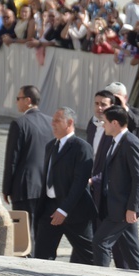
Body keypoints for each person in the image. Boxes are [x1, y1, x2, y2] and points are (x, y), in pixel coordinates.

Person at [92, 106, 139, 269]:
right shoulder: (115, 141)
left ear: (115, 123)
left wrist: (133, 208)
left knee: (100, 242)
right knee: (131, 251)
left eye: (105, 122)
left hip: (124, 207)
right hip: (118, 205)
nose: (103, 126)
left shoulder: (131, 143)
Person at [34, 108, 96, 263]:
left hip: (74, 210)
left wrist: (64, 210)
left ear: (69, 123)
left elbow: (80, 183)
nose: (52, 124)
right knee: (42, 253)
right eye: (53, 120)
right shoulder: (51, 146)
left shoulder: (81, 148)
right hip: (49, 207)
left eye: (57, 120)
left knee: (89, 254)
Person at [2, 85, 54, 250]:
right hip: (46, 185)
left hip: (24, 185)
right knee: (41, 227)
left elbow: (12, 158)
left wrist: (6, 188)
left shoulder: (19, 123)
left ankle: (27, 258)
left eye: (18, 98)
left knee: (24, 228)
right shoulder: (50, 121)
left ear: (28, 101)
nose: (17, 102)